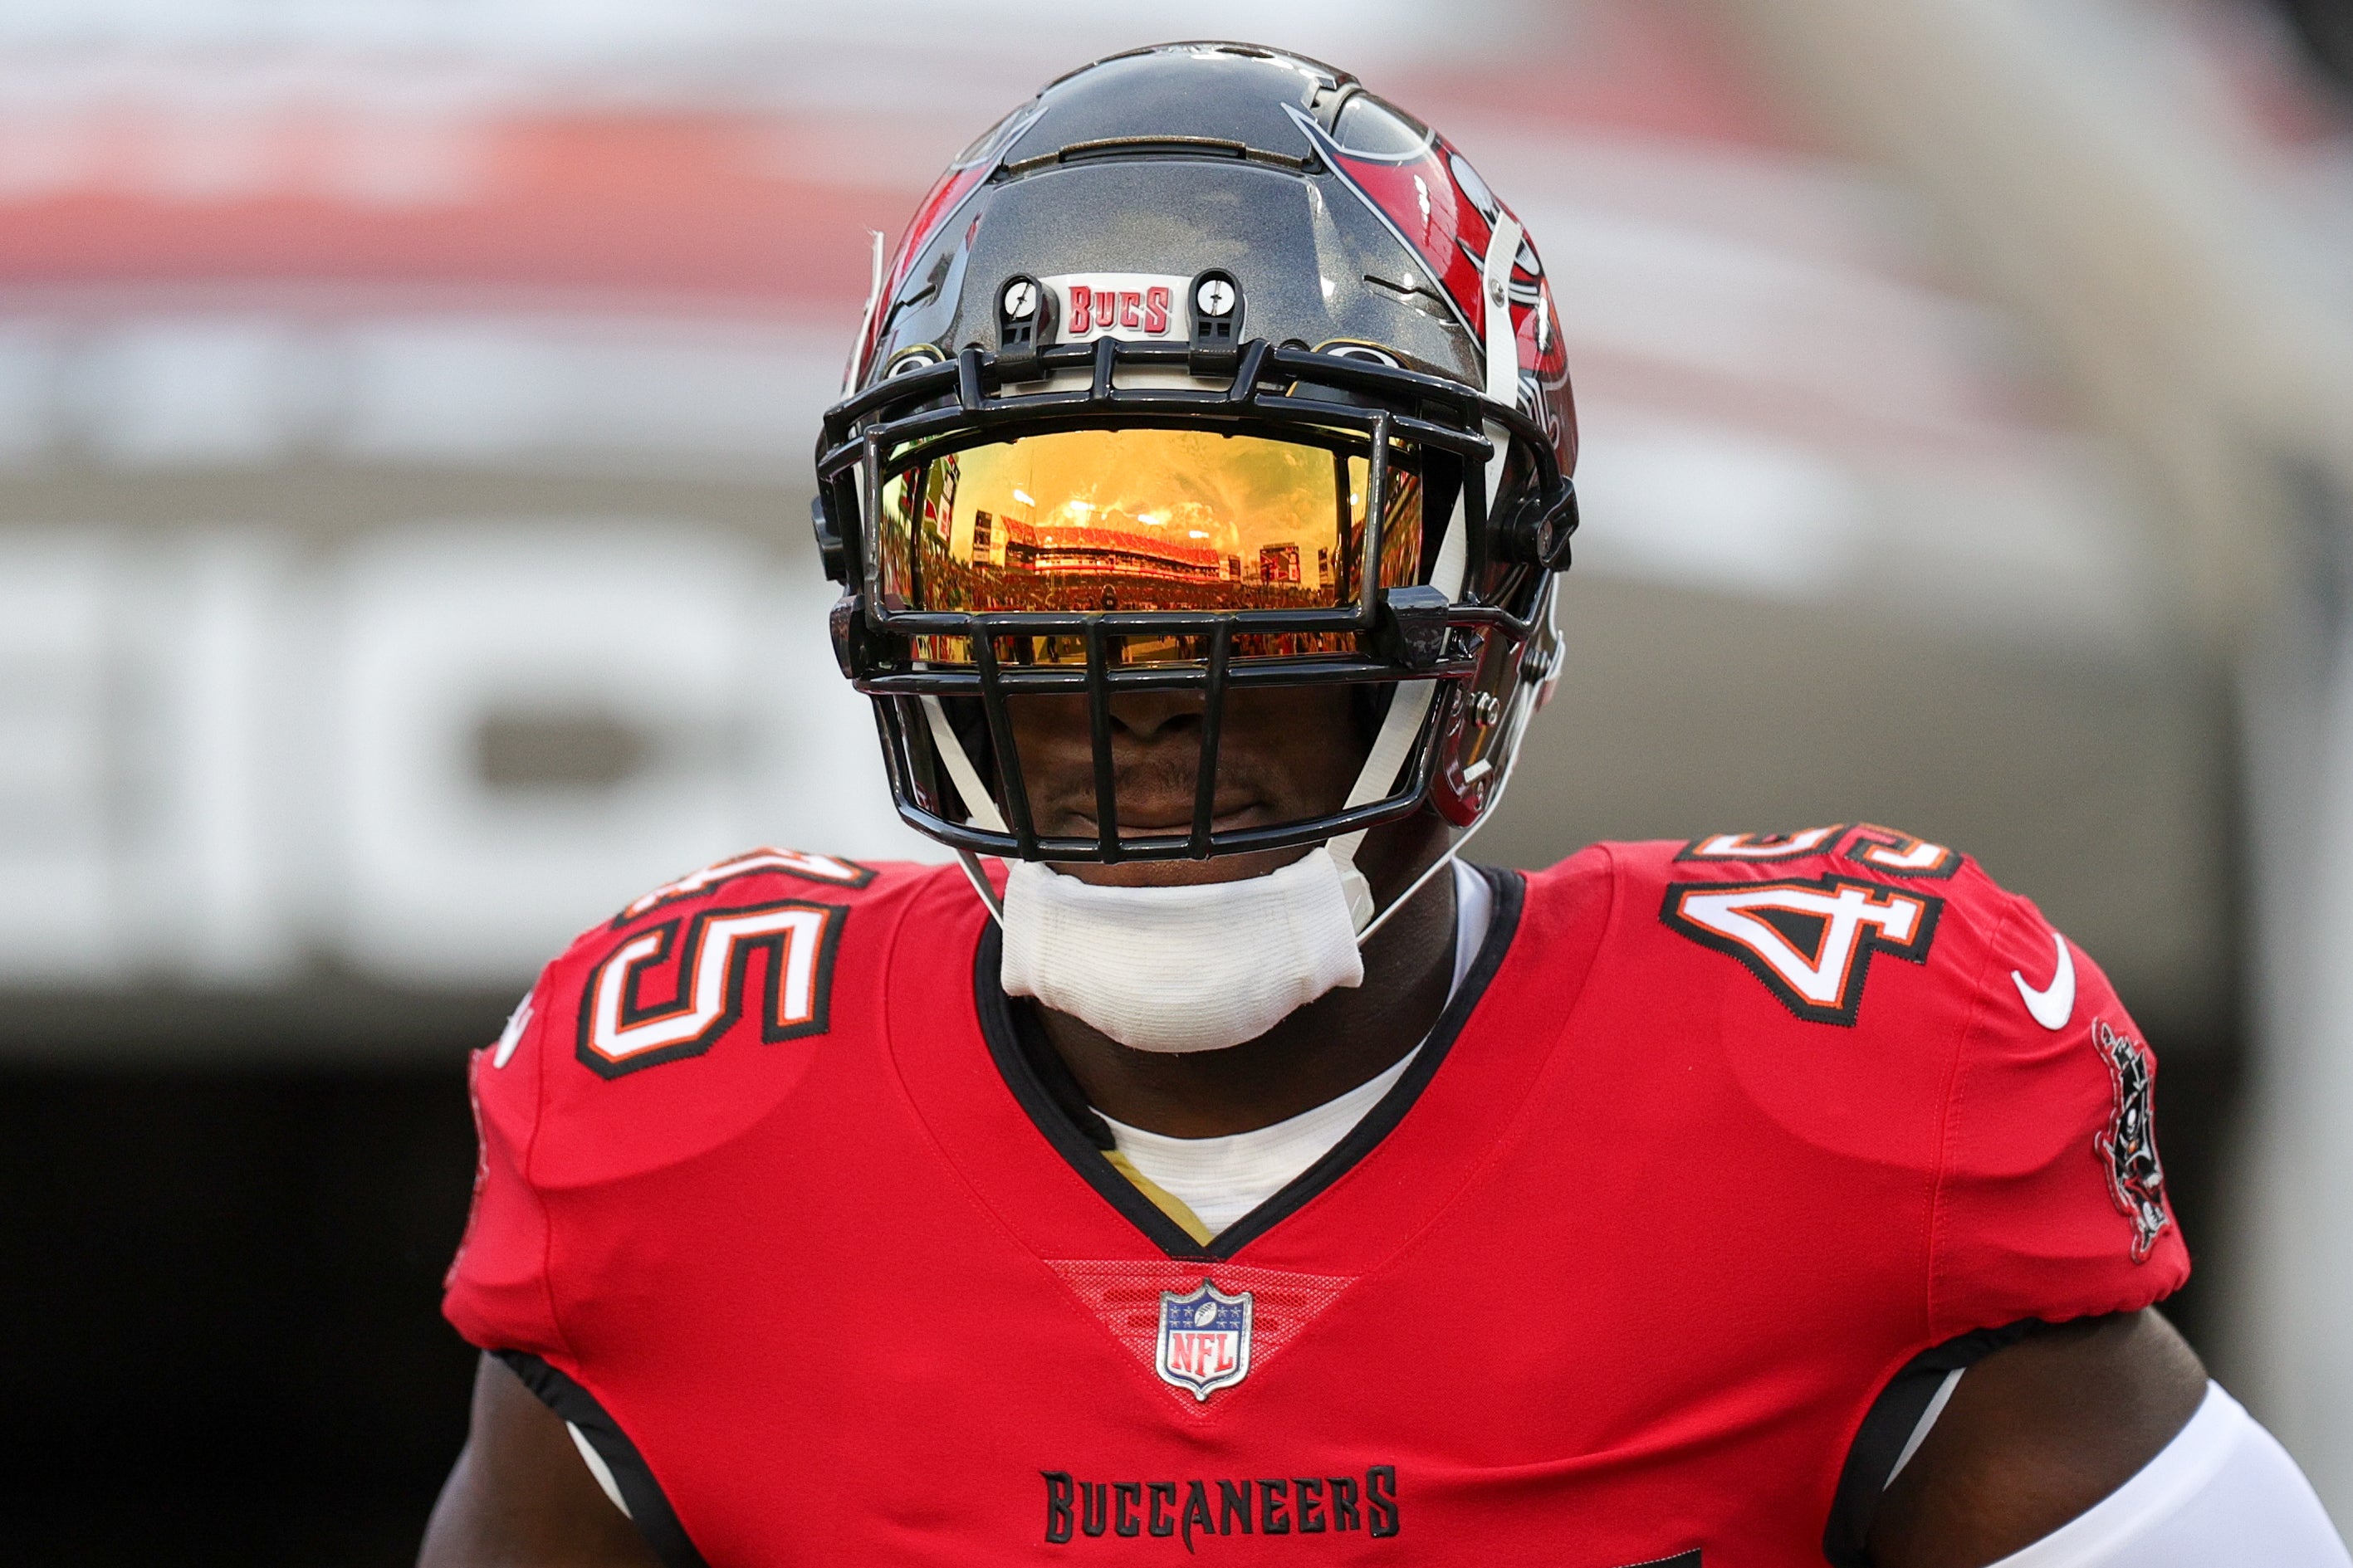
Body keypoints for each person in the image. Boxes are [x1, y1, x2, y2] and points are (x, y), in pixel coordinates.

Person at [418, 42, 2349, 1568]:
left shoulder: (1836, 1103)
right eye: (1020, 546)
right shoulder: (686, 1130)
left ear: (1488, 581)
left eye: (1260, 542)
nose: (1141, 669)